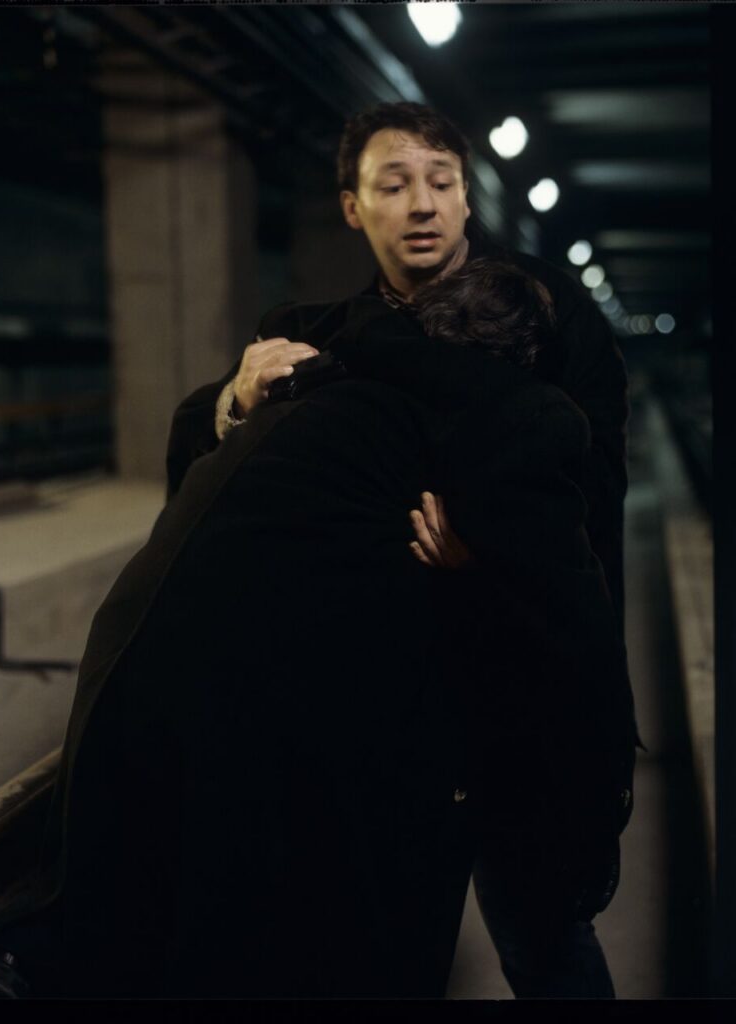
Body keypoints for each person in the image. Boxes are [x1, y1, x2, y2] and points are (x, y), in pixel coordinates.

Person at [0, 258, 636, 998]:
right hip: (256, 717)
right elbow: (574, 626)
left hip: (128, 674)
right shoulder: (512, 412)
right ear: (529, 359)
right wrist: (599, 816)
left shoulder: (324, 373)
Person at [163, 103, 636, 997]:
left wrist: (498, 546)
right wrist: (235, 397)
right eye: (393, 184)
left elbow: (597, 487)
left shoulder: (542, 317)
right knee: (373, 941)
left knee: (541, 931)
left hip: (513, 687)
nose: (420, 203)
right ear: (352, 208)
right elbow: (211, 480)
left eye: (440, 182)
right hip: (375, 706)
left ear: (466, 203)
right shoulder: (319, 334)